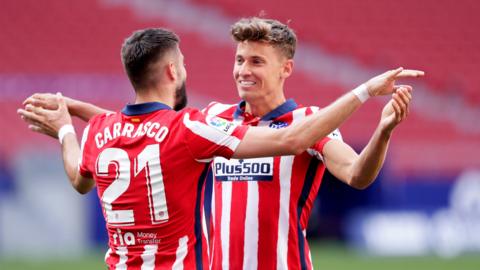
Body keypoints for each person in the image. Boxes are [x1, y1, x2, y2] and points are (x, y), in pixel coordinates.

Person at [20, 27, 422, 270]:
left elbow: (356, 175)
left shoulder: (309, 122)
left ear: (286, 68)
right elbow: (149, 131)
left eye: (257, 62)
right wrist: (79, 109)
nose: (244, 70)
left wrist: (382, 130)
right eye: (239, 59)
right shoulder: (211, 119)